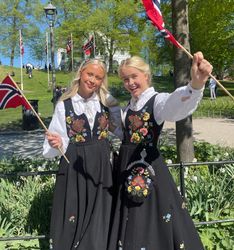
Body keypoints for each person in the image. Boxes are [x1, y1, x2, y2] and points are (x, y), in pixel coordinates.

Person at [108, 52, 212, 250]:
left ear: (146, 76)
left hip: (148, 168)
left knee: (149, 217)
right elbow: (122, 134)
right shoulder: (128, 108)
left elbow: (174, 107)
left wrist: (195, 85)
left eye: (134, 77)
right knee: (129, 219)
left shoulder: (156, 101)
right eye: (125, 79)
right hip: (126, 169)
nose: (130, 82)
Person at [43, 59, 122, 250]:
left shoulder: (107, 103)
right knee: (74, 215)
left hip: (102, 168)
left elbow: (121, 131)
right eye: (90, 74)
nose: (93, 80)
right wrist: (58, 143)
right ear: (81, 73)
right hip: (75, 167)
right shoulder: (64, 105)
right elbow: (53, 144)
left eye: (98, 77)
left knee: (100, 218)